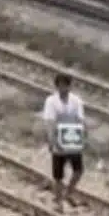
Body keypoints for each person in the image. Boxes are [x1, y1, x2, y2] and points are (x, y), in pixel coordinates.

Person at [42, 72, 85, 200]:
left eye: (65, 85)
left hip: (72, 138)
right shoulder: (51, 101)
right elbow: (49, 121)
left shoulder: (76, 101)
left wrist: (82, 137)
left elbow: (80, 120)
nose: (63, 88)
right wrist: (51, 140)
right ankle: (58, 200)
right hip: (58, 138)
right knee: (58, 175)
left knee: (78, 170)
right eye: (60, 85)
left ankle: (68, 193)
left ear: (69, 86)